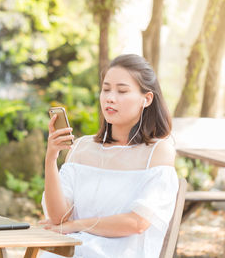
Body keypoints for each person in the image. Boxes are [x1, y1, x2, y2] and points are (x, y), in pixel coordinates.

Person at [39, 54, 179, 258]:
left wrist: (76, 226)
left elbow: (137, 222)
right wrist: (51, 158)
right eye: (106, 89)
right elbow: (59, 218)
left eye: (122, 91)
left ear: (146, 99)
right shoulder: (82, 148)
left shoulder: (157, 152)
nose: (110, 98)